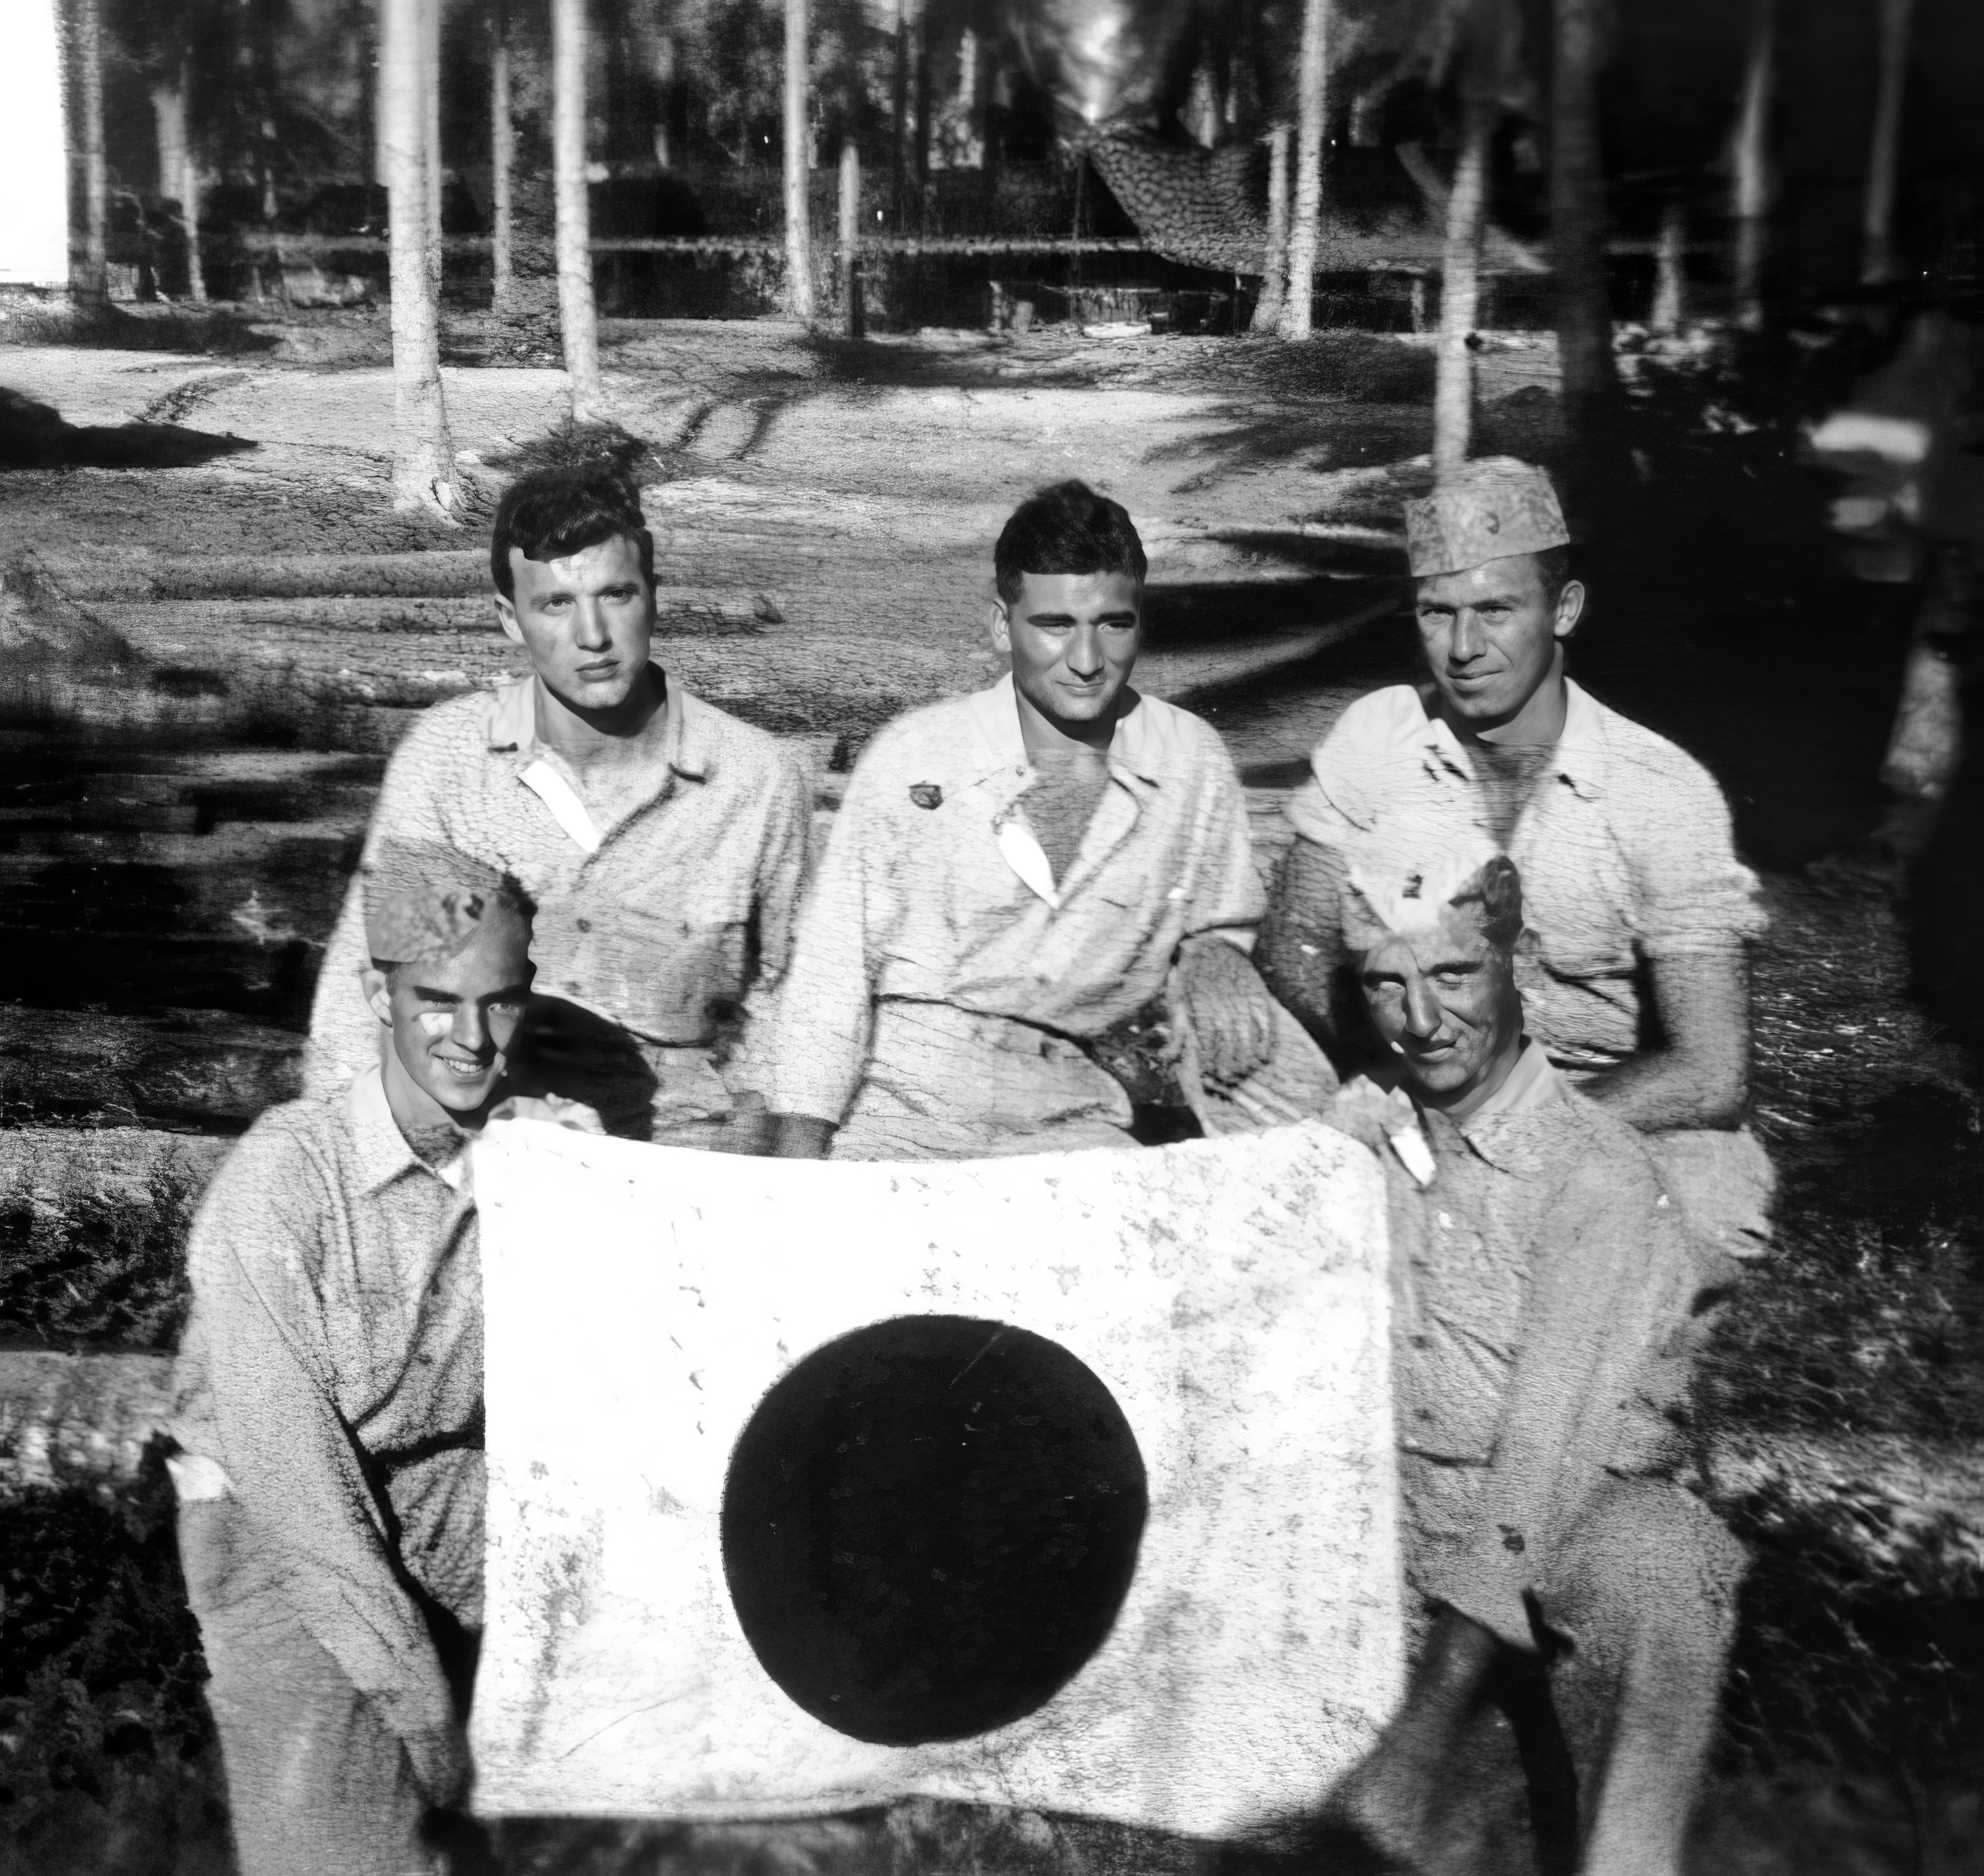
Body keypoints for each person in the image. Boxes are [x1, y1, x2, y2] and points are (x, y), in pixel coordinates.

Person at [1320, 847, 1745, 1876]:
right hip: (1393, 1517)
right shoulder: (1357, 1128)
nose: (1422, 1019)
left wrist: (1421, 1733)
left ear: (1513, 964)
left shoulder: (1594, 1168)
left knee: (1663, 1564)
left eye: (1454, 975)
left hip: (1552, 1516)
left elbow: (1541, 1464)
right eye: (1388, 983)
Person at [168, 844, 587, 1876]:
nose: (473, 1038)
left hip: (451, 1507)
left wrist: (592, 1186)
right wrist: (425, 1716)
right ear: (376, 992)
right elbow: (305, 1501)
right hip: (284, 1536)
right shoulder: (283, 1183)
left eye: (501, 1002)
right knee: (353, 1853)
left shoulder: (531, 1162)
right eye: (437, 1000)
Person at [1258, 455, 1773, 1256]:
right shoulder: (1379, 736)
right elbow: (1296, 942)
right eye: (1438, 613)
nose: (1464, 646)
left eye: (1496, 609)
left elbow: (1710, 1071)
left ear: (1563, 609)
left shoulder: (1658, 790)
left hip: (1601, 1099)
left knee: (1666, 1238)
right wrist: (1401, 1075)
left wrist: (1504, 1119)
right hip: (1405, 1066)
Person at [766, 479, 1337, 1161]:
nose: (1089, 662)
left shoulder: (1189, 758)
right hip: (905, 1105)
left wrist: (1217, 953)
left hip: (1078, 1112)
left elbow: (1218, 920)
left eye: (1113, 625)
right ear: (1002, 625)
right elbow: (829, 986)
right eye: (1056, 625)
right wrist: (801, 1176)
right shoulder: (916, 754)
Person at [305, 464, 813, 1153]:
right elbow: (372, 991)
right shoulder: (454, 764)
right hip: (486, 1156)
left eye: (617, 595)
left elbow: (795, 1010)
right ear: (511, 619)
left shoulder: (754, 777)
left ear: (655, 598)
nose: (594, 635)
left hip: (684, 1162)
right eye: (556, 604)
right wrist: (353, 1168)